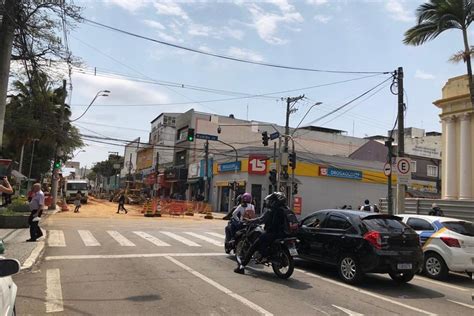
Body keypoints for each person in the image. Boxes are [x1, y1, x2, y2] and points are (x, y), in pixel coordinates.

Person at [234, 192, 287, 274]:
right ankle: (265, 255)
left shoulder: (271, 211)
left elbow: (260, 219)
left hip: (272, 233)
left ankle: (242, 266)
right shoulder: (285, 210)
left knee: (253, 246)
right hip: (283, 234)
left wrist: (250, 220)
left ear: (273, 202)